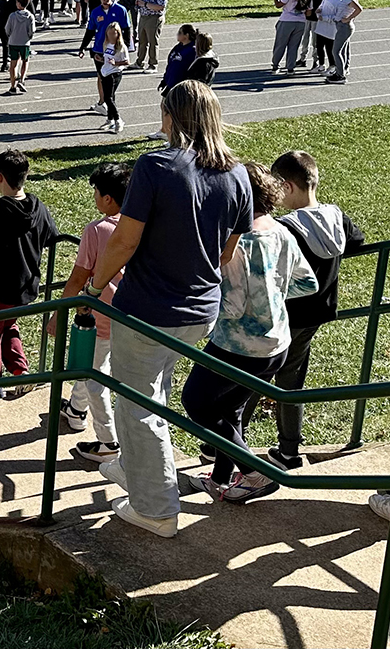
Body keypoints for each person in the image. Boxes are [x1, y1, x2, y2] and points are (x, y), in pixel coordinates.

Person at [85, 81, 252, 538]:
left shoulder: (155, 165)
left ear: (172, 115)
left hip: (149, 310)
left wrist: (96, 286)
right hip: (201, 311)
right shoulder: (238, 174)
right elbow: (226, 251)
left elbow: (125, 239)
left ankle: (156, 508)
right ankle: (133, 468)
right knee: (152, 393)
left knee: (139, 406)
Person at [182, 162, 319, 504]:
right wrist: (270, 297)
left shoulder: (237, 242)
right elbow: (307, 282)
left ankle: (255, 471)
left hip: (238, 345)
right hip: (277, 343)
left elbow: (231, 306)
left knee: (196, 403)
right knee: (231, 410)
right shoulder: (280, 229)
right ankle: (221, 478)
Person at [239, 150, 364, 469]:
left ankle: (231, 441)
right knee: (290, 381)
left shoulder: (286, 228)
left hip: (281, 318)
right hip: (316, 316)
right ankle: (289, 451)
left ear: (287, 186)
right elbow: (357, 241)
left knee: (253, 377)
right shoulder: (337, 216)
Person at [53, 162, 132, 463]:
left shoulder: (97, 230)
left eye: (96, 192)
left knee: (95, 376)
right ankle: (75, 409)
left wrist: (57, 315)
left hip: (101, 316)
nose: (95, 197)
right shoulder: (140, 225)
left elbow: (76, 279)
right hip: (133, 319)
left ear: (108, 198)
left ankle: (108, 442)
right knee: (98, 364)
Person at [0, 149, 57, 394]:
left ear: (0, 178)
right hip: (26, 289)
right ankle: (20, 371)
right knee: (9, 327)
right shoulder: (39, 208)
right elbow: (52, 236)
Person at [325, 0, 363, 84]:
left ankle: (340, 76)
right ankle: (340, 72)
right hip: (341, 26)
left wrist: (348, 19)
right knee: (339, 51)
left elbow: (359, 9)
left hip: (345, 27)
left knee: (336, 51)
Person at [135, 0, 168, 73]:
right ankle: (139, 62)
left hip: (154, 18)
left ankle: (153, 64)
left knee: (153, 42)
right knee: (142, 41)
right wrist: (139, 1)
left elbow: (160, 6)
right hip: (144, 16)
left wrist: (144, 4)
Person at [98, 22, 130, 134]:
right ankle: (110, 120)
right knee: (111, 97)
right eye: (109, 33)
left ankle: (118, 120)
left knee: (108, 98)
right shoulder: (106, 44)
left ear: (118, 34)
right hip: (105, 73)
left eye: (113, 33)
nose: (111, 36)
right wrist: (101, 59)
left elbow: (127, 62)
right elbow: (107, 58)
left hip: (115, 74)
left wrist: (116, 63)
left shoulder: (121, 47)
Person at [4, 0, 34, 94]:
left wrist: (10, 35)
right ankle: (22, 80)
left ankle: (13, 85)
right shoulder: (30, 16)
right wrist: (28, 37)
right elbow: (32, 31)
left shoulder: (12, 16)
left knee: (13, 64)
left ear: (18, 4)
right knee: (25, 61)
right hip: (24, 42)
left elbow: (7, 29)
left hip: (13, 41)